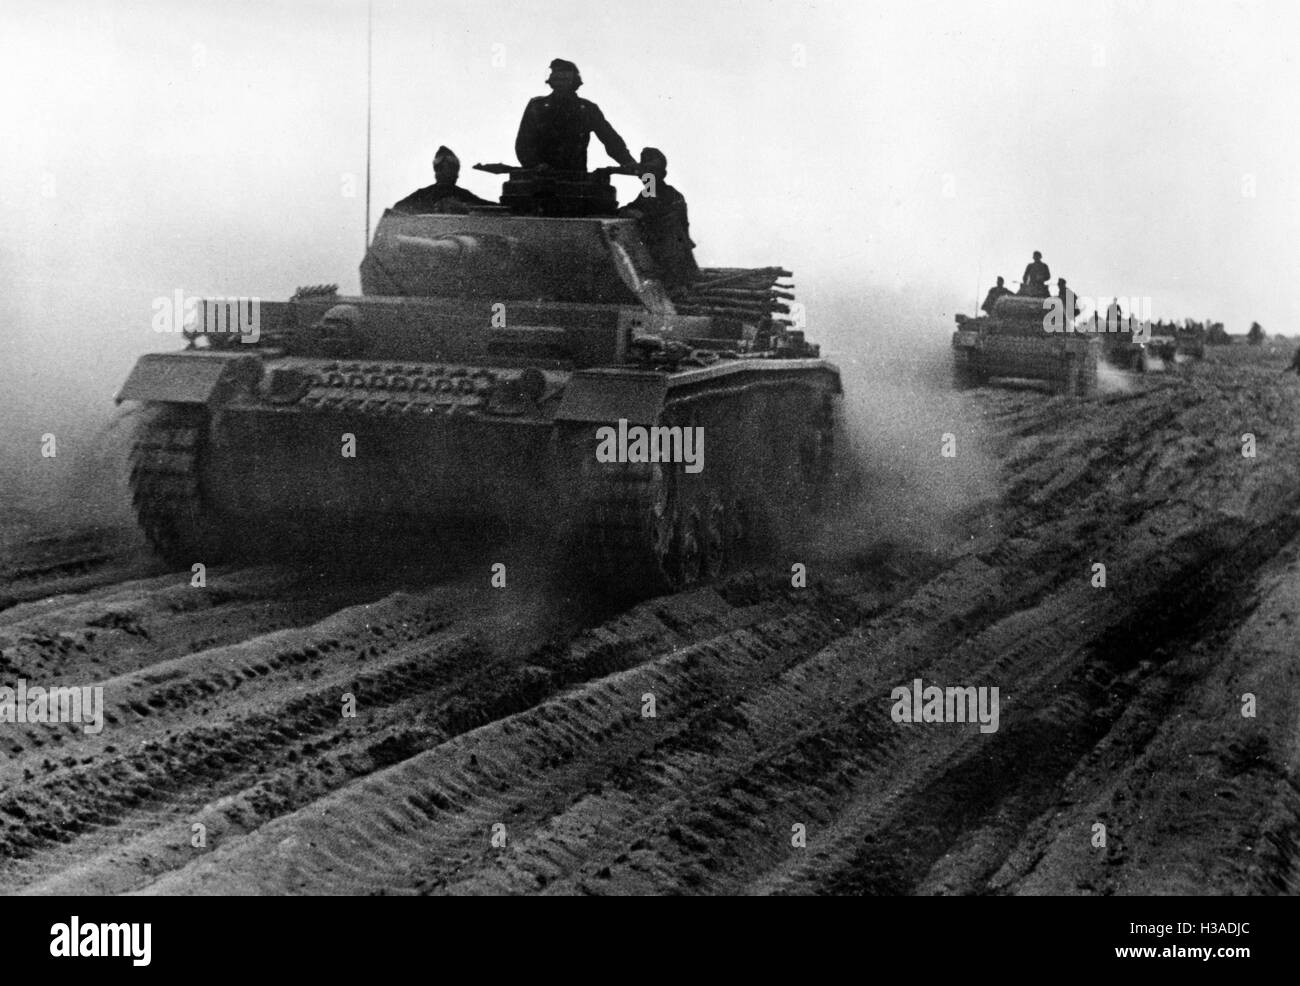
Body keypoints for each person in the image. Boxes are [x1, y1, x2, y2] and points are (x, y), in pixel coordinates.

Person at [515, 59, 637, 172]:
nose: (561, 84)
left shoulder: (587, 109)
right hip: (540, 180)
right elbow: (523, 143)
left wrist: (629, 163)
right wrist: (535, 165)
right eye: (557, 79)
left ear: (574, 82)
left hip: (576, 178)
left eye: (565, 79)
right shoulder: (537, 106)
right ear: (551, 80)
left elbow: (611, 140)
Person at [619, 147, 699, 283]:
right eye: (645, 173)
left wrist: (642, 216)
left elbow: (667, 223)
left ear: (662, 174)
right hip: (661, 260)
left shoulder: (672, 195)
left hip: (673, 262)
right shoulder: (646, 195)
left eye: (652, 172)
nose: (647, 177)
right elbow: (629, 209)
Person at [391, 146, 492, 214]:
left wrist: (464, 208)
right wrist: (430, 209)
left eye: (452, 169)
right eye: (442, 168)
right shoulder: (422, 195)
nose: (447, 172)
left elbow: (494, 210)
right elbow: (398, 210)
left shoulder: (465, 196)